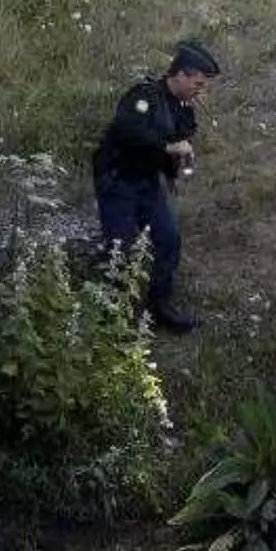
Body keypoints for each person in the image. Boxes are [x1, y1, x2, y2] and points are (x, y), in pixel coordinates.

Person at [92, 41, 220, 334]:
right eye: (197, 83)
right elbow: (127, 130)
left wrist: (175, 165)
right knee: (119, 249)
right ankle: (115, 318)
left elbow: (175, 144)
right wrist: (168, 145)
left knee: (168, 239)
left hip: (147, 182)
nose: (200, 89)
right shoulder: (143, 95)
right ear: (181, 75)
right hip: (118, 180)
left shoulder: (183, 109)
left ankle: (160, 305)